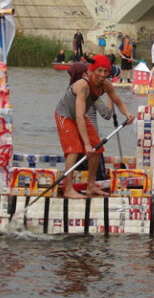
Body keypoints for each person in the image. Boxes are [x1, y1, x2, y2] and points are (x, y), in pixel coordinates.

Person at [54, 55, 133, 198]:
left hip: (81, 117)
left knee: (98, 148)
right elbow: (78, 116)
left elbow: (118, 102)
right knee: (74, 150)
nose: (102, 75)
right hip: (65, 115)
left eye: (105, 72)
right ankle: (68, 189)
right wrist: (86, 144)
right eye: (99, 71)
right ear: (91, 71)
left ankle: (91, 186)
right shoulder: (83, 86)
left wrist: (127, 113)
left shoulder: (106, 85)